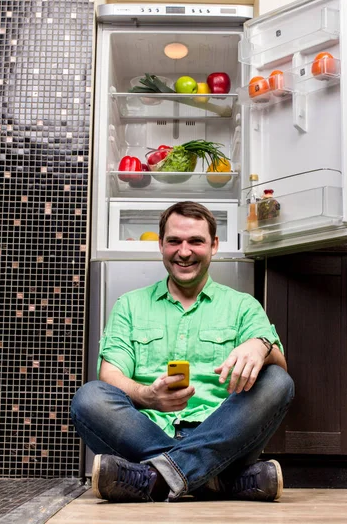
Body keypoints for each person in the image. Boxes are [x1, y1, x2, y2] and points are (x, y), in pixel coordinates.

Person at [71, 201, 294, 503]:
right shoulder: (130, 305)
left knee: (278, 381)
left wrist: (260, 346)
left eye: (196, 241)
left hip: (224, 434)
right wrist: (146, 395)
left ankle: (153, 479)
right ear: (161, 244)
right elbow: (110, 374)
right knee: (89, 397)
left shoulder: (242, 306)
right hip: (146, 431)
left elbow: (279, 364)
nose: (184, 252)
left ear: (213, 245)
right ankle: (217, 480)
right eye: (174, 241)